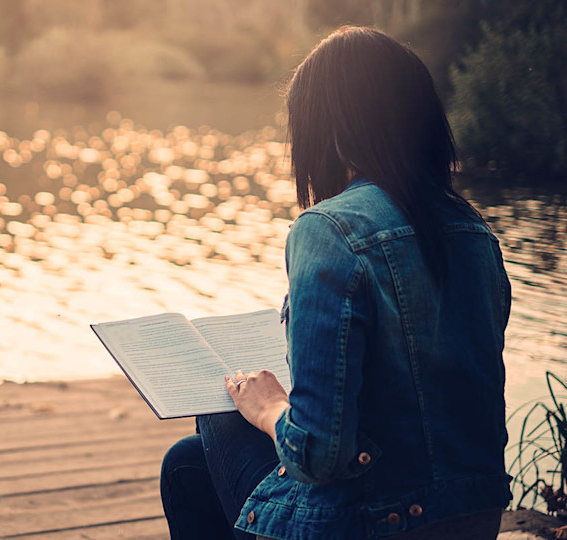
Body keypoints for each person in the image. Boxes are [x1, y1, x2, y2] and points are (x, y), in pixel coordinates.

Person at [160, 26, 512, 540]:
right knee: (189, 463)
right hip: (471, 518)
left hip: (376, 524)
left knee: (220, 415)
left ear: (331, 130)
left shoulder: (328, 229)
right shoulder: (474, 229)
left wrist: (270, 407)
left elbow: (318, 455)